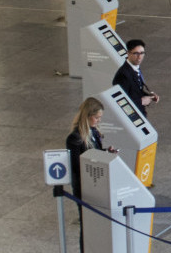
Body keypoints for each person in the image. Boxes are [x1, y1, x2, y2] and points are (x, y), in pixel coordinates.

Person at [66, 97, 118, 252]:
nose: (98, 121)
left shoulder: (93, 132)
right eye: (96, 118)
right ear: (87, 116)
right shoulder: (74, 138)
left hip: (96, 184)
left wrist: (105, 153)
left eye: (100, 118)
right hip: (84, 188)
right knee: (86, 224)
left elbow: (94, 153)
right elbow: (77, 165)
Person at [113, 39, 159, 117]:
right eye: (136, 53)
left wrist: (149, 95)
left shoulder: (135, 67)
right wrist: (141, 101)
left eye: (142, 53)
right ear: (128, 53)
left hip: (140, 113)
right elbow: (120, 101)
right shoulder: (123, 75)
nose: (139, 57)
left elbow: (135, 90)